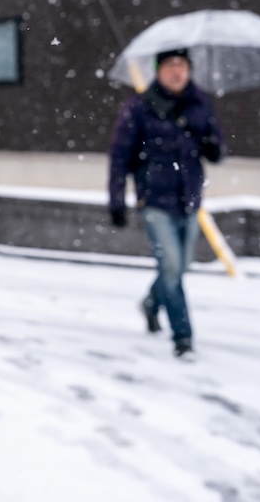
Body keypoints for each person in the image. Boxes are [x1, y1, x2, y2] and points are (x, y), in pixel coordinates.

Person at [107, 47, 224, 358]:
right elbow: (120, 157)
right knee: (171, 266)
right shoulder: (140, 107)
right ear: (158, 70)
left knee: (181, 266)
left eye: (182, 65)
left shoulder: (200, 104)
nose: (177, 71)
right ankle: (183, 337)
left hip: (189, 199)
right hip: (155, 200)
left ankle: (150, 303)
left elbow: (216, 150)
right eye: (171, 65)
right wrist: (116, 199)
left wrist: (211, 143)